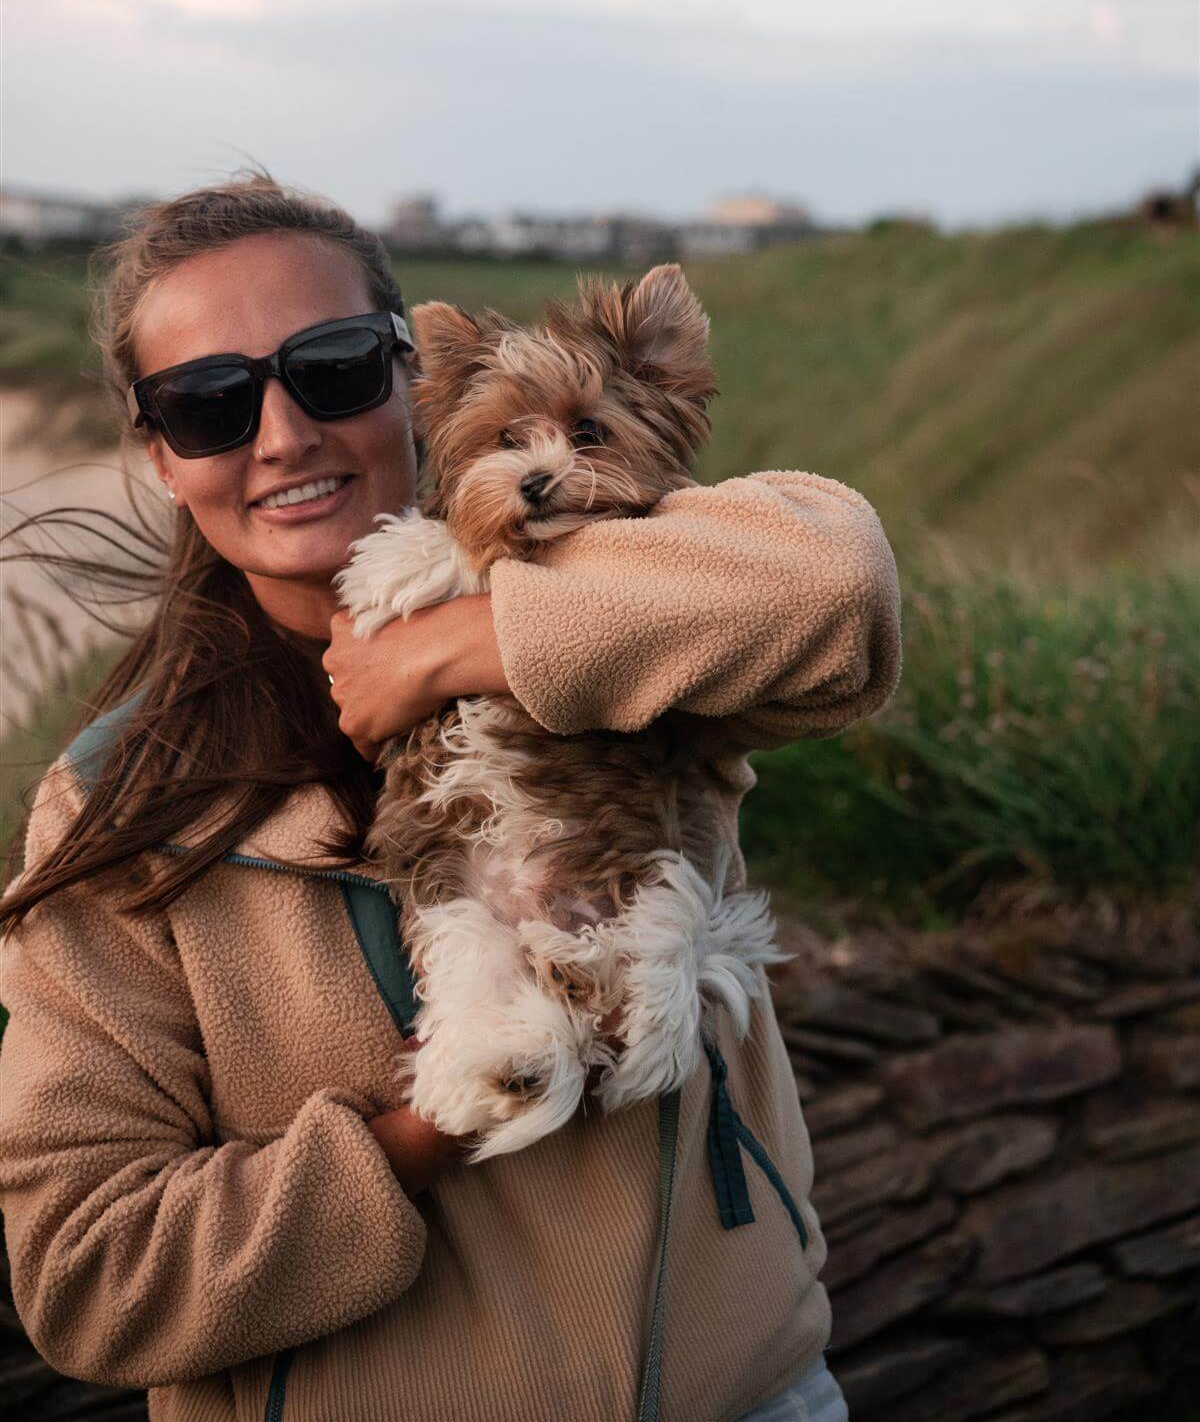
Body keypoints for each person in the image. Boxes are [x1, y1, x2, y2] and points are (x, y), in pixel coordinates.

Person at [0, 175, 901, 1422]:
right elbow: (91, 1279)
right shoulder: (117, 806)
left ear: (412, 384)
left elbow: (840, 586)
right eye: (207, 404)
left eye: (329, 368)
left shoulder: (625, 615)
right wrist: (420, 1137)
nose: (280, 437)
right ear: (158, 454)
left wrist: (460, 646)